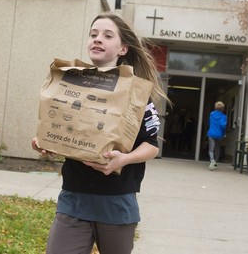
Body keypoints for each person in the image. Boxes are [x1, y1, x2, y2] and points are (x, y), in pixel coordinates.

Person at [32, 13, 170, 254]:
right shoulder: (69, 81)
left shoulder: (137, 93)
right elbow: (62, 130)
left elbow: (151, 145)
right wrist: (45, 142)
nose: (97, 39)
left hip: (116, 203)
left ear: (123, 48)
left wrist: (124, 159)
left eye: (107, 35)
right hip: (74, 198)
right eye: (93, 34)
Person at [207, 101, 227, 171]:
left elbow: (209, 122)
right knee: (217, 148)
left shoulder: (211, 114)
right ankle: (216, 162)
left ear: (215, 107)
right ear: (222, 109)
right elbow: (223, 125)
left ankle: (212, 160)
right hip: (219, 134)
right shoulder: (224, 116)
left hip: (211, 133)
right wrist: (224, 133)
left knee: (211, 150)